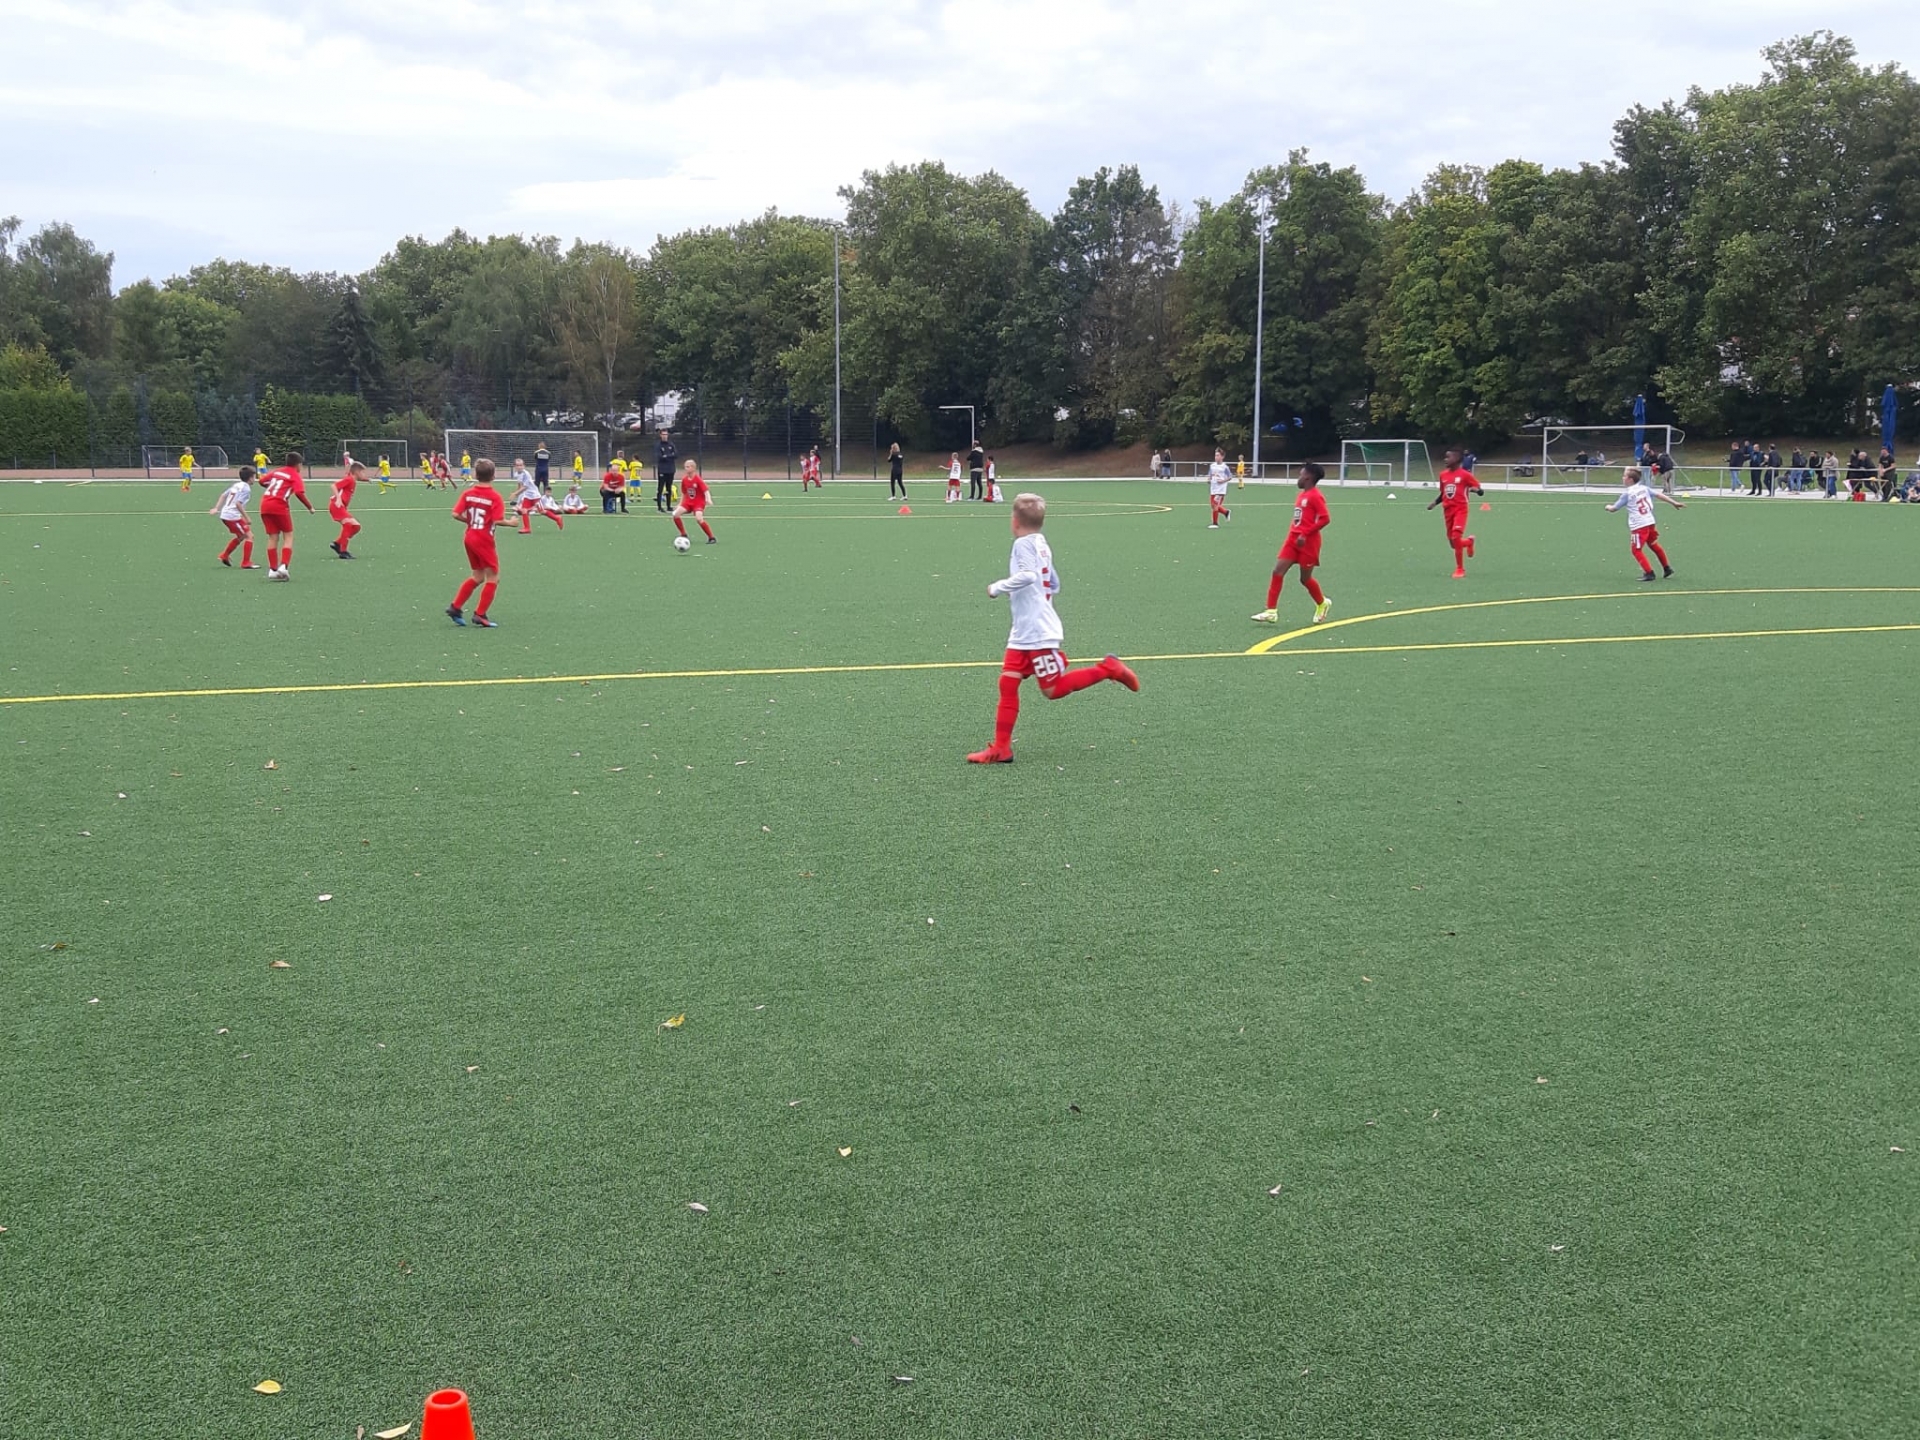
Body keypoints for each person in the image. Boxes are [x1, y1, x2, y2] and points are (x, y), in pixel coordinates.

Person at [966, 491, 1139, 764]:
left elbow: (1028, 575)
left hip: (1037, 630)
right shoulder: (1041, 543)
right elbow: (1053, 582)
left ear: (1015, 521)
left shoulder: (1022, 544)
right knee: (1007, 682)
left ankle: (1108, 669)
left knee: (1052, 690)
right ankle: (1001, 748)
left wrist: (998, 587)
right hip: (1024, 629)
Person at [1252, 463, 1331, 625]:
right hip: (1293, 540)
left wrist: (1305, 534)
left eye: (1301, 475)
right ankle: (1271, 611)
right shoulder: (1302, 495)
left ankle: (1322, 603)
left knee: (1305, 579)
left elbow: (1325, 518)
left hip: (1308, 543)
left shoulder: (1315, 496)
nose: (1298, 478)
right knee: (1277, 571)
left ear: (1308, 477)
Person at [447, 458, 505, 628]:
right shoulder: (495, 497)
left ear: (476, 475)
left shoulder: (468, 493)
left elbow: (455, 514)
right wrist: (512, 522)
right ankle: (480, 614)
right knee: (493, 577)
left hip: (470, 537)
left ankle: (455, 607)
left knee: (478, 576)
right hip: (484, 539)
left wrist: (469, 521)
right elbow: (498, 520)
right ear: (493, 476)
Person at [1605, 465, 1683, 581]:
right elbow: (1659, 495)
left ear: (1630, 479)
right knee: (1653, 544)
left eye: (1625, 476)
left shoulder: (1627, 494)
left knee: (1636, 550)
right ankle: (1667, 568)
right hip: (1650, 522)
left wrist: (1607, 507)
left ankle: (1649, 573)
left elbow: (1614, 509)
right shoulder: (1644, 488)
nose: (1623, 478)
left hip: (1639, 525)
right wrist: (1674, 503)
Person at [257, 451, 313, 580]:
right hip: (279, 506)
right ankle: (283, 566)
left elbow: (262, 481)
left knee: (273, 537)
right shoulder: (295, 475)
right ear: (298, 464)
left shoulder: (277, 471)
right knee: (288, 535)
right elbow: (299, 493)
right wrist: (310, 507)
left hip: (265, 505)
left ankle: (272, 570)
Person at [1427, 448, 1483, 577]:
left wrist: (1476, 490)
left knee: (1456, 537)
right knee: (1453, 544)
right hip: (1448, 511)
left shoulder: (1465, 475)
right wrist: (1435, 503)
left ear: (1457, 459)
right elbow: (1444, 493)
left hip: (1460, 509)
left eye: (1448, 457)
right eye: (1445, 457)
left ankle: (1460, 569)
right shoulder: (1443, 475)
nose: (1445, 459)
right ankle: (1469, 542)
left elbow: (1480, 490)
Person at [211, 465, 257, 569]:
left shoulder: (237, 485)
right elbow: (238, 504)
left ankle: (224, 555)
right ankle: (246, 562)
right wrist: (247, 517)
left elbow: (223, 495)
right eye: (254, 477)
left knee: (241, 536)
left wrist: (216, 508)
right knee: (249, 536)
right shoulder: (246, 489)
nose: (255, 479)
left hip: (226, 515)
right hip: (232, 516)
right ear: (250, 478)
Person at [512, 458, 562, 532]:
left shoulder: (526, 474)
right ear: (515, 466)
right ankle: (527, 528)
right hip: (527, 496)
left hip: (535, 495)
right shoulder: (517, 474)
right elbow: (520, 484)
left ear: (524, 466)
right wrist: (517, 495)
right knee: (524, 510)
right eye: (517, 465)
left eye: (521, 465)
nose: (519, 467)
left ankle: (557, 518)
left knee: (541, 511)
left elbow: (525, 487)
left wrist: (515, 493)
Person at [328, 460, 366, 559]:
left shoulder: (352, 479)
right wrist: (338, 498)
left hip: (341, 507)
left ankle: (337, 543)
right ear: (357, 472)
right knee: (348, 525)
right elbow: (333, 486)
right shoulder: (349, 480)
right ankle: (343, 551)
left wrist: (366, 479)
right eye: (362, 472)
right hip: (337, 506)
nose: (364, 474)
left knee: (356, 527)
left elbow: (359, 477)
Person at [672, 459, 716, 544]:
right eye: (685, 467)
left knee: (699, 518)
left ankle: (711, 537)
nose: (686, 468)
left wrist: (708, 499)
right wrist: (680, 504)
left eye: (688, 467)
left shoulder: (698, 479)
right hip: (688, 503)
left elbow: (706, 490)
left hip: (698, 503)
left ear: (693, 468)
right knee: (676, 514)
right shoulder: (684, 479)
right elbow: (684, 493)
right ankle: (683, 534)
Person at [1206, 448, 1233, 528]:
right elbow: (1210, 475)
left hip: (1221, 490)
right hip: (1213, 488)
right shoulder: (1212, 466)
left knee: (1215, 505)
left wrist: (1222, 481)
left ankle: (1215, 523)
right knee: (1213, 505)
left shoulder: (1224, 467)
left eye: (1218, 455)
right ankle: (1226, 512)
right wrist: (1209, 479)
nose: (1216, 457)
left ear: (1222, 457)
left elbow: (1230, 477)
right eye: (1215, 455)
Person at [654, 429, 677, 511]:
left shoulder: (671, 444)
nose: (665, 436)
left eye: (666, 434)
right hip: (662, 470)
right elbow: (660, 457)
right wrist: (670, 456)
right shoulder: (658, 445)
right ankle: (659, 507)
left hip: (671, 469)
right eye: (663, 434)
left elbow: (676, 455)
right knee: (660, 488)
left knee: (669, 488)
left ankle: (668, 506)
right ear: (660, 435)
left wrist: (666, 456)